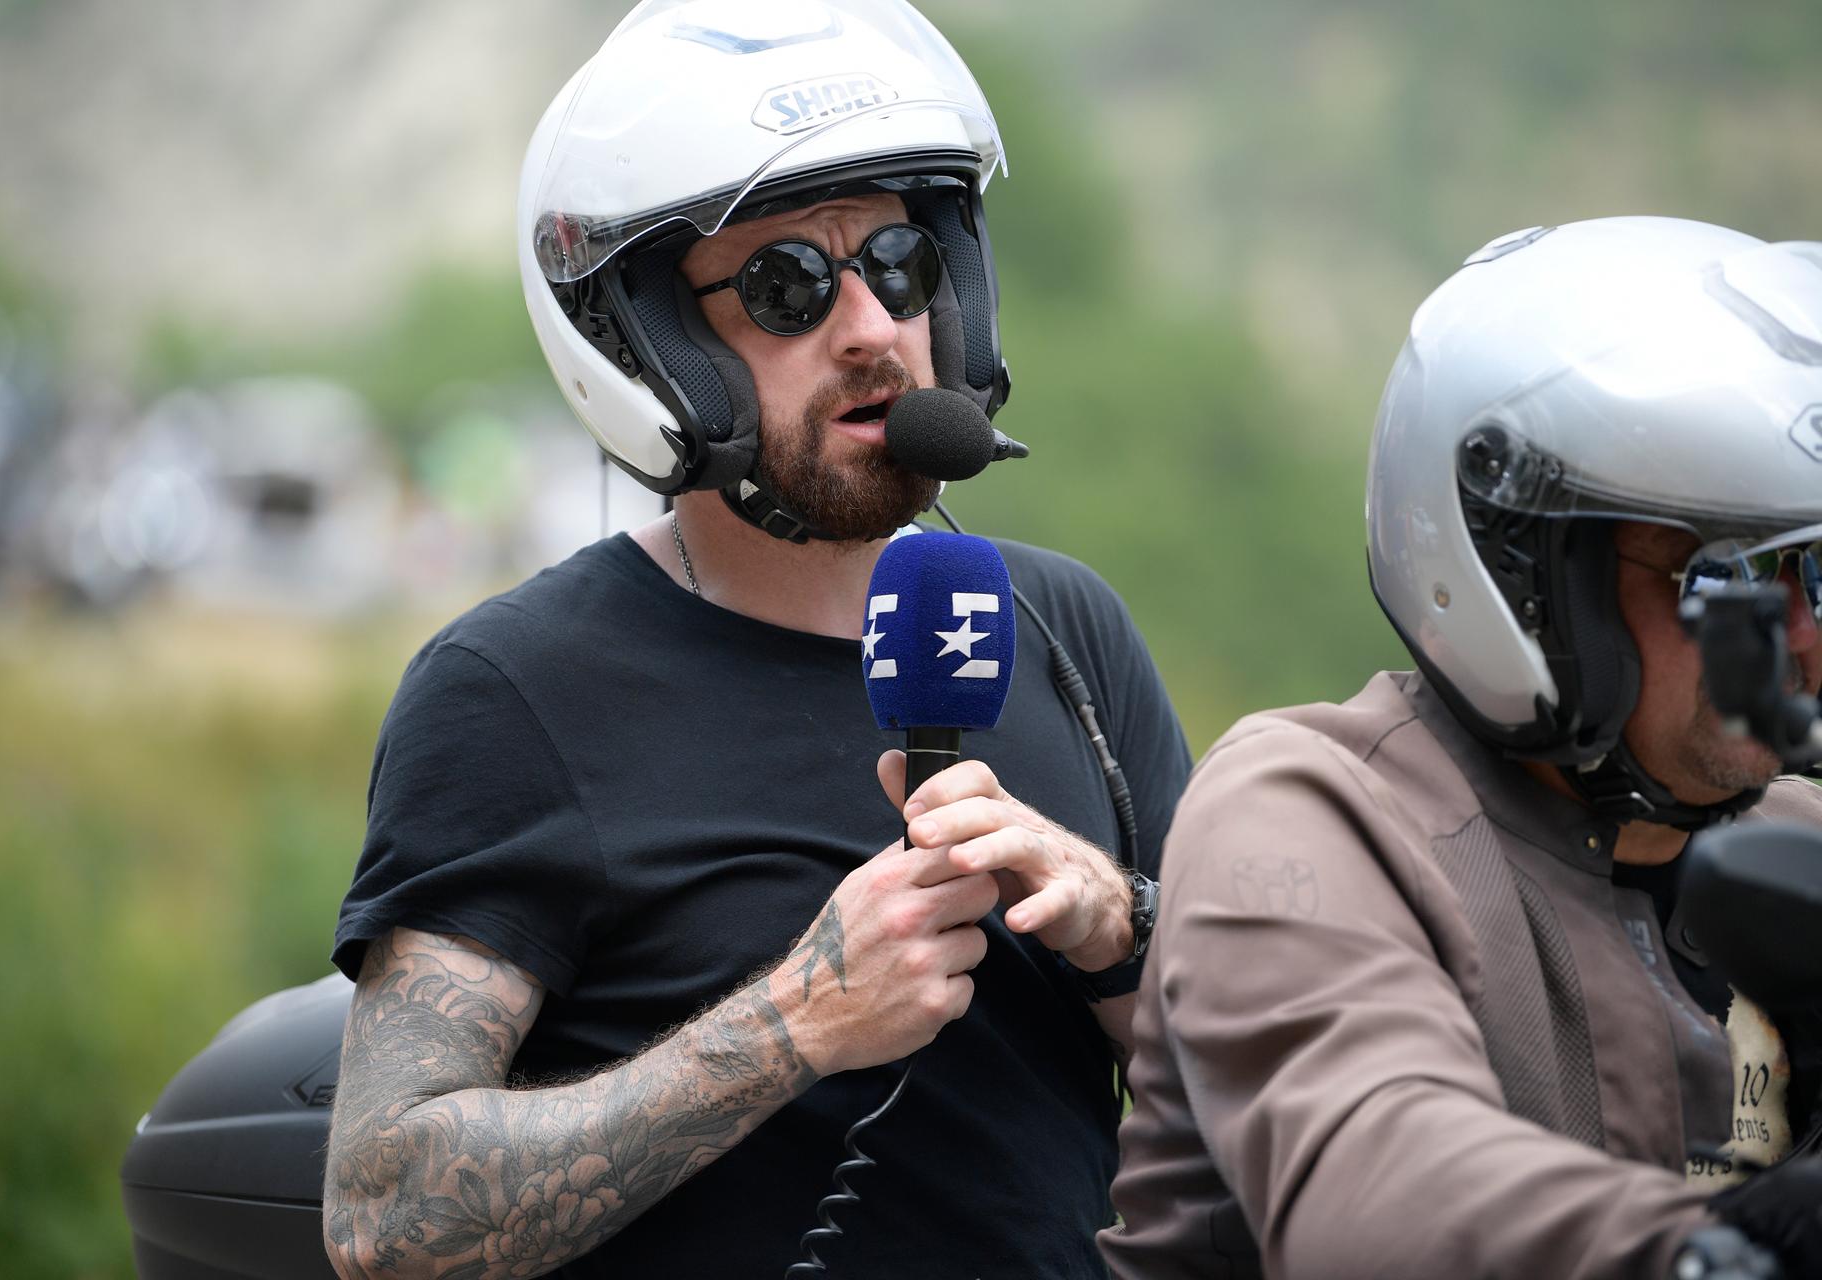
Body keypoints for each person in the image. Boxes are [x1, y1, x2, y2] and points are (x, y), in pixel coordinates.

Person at [319, 4, 1190, 1278]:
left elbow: (1265, 1106)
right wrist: (795, 1022)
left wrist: (1118, 922)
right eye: (787, 286)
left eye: (898, 261)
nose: (872, 328)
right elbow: (383, 1213)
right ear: (655, 346)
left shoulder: (1066, 629)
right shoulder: (514, 688)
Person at [1100, 216, 1822, 1280]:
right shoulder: (1314, 811)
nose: (1802, 632)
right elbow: (1377, 1189)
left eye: (1817, 570)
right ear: (1530, 579)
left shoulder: (1795, 841)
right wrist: (1727, 1244)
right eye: (1727, 574)